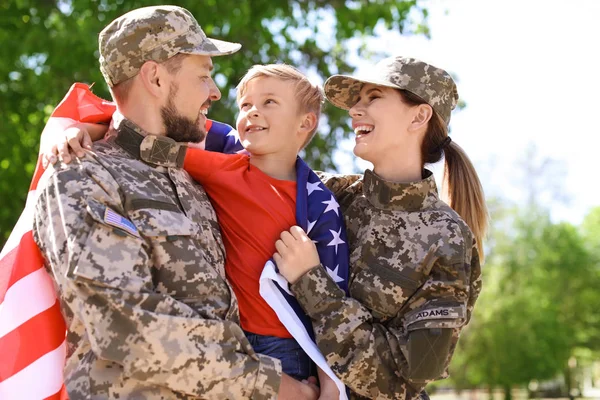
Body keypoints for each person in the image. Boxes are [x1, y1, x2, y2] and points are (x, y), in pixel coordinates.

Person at [32, 5, 319, 399]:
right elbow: (127, 325)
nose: (216, 92)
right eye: (203, 76)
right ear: (154, 77)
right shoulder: (82, 175)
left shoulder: (195, 176)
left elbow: (287, 177)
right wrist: (282, 389)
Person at [273, 56, 487, 399]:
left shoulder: (447, 238)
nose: (355, 110)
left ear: (419, 116)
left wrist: (310, 281)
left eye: (373, 97)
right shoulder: (333, 195)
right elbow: (252, 171)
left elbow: (404, 377)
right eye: (356, 102)